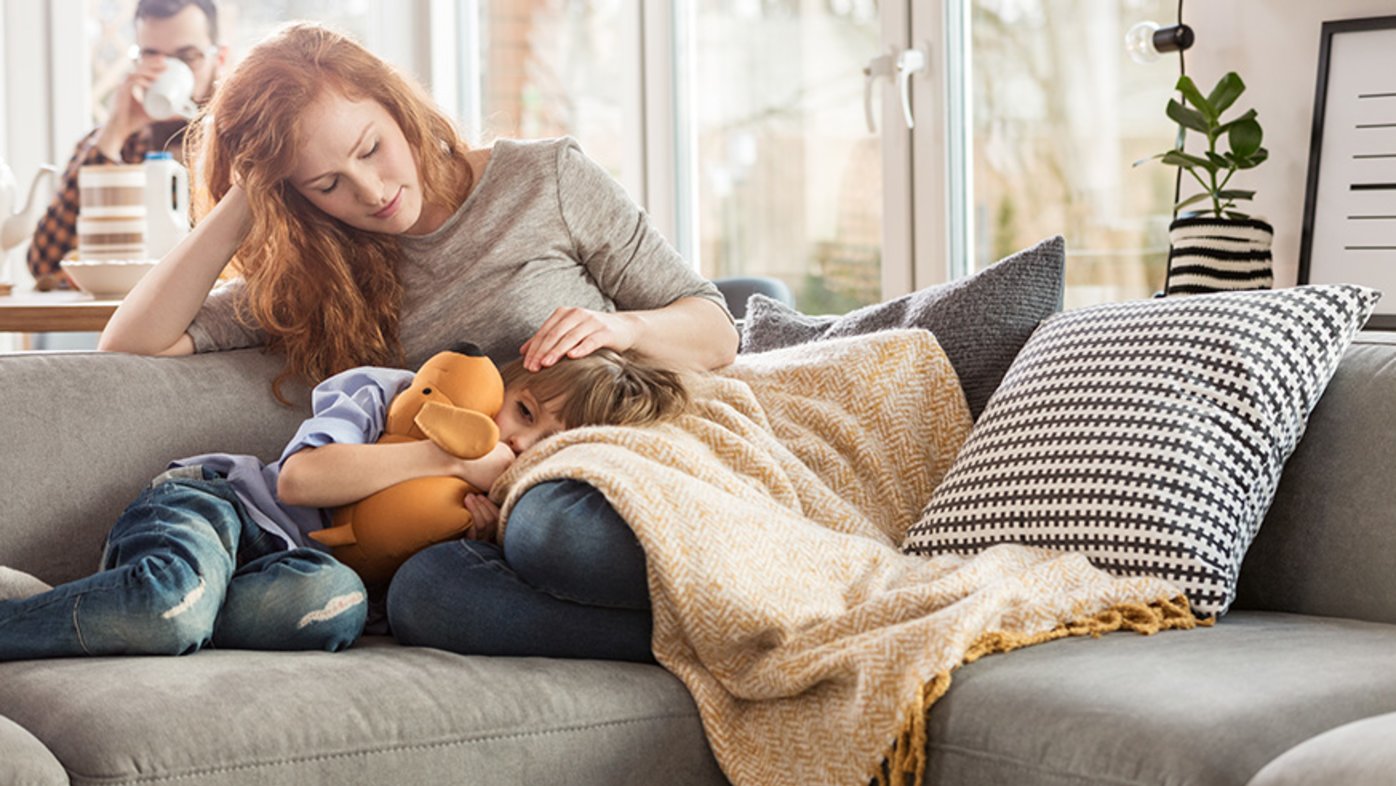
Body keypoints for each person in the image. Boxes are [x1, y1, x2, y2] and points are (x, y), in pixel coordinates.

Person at [96, 23, 737, 661]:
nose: (370, 192)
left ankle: (711, 624)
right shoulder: (321, 275)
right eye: (326, 183)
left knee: (552, 534)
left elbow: (716, 330)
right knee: (424, 597)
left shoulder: (547, 181)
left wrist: (626, 328)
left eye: (371, 148)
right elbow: (132, 345)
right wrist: (246, 195)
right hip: (470, 527)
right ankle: (694, 643)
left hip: (591, 479)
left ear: (397, 107)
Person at [0, 345, 689, 661]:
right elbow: (301, 482)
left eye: (542, 442)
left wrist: (477, 535)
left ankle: (139, 608)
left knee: (330, 609)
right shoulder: (395, 395)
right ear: (508, 377)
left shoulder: (503, 509)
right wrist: (443, 453)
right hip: (220, 509)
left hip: (296, 579)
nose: (514, 438)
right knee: (167, 606)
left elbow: (413, 576)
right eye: (524, 409)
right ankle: (91, 608)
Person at [27, 0, 228, 290]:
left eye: (186, 57)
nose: (167, 70)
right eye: (151, 56)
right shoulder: (113, 144)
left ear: (218, 59)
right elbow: (45, 263)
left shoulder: (242, 142)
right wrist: (112, 136)